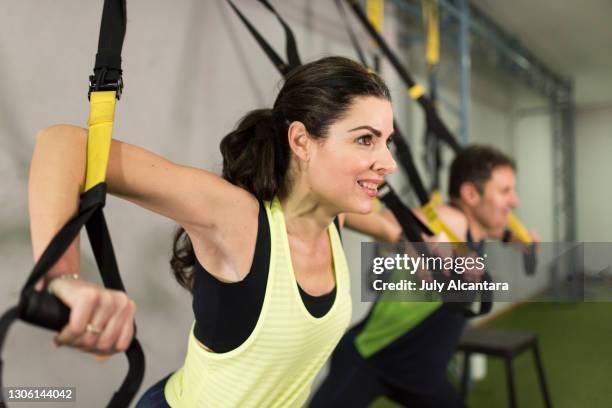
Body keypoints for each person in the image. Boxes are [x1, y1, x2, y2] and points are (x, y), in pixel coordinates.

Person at [28, 56, 397, 407]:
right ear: (301, 141)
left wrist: (415, 243)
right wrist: (62, 278)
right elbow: (63, 143)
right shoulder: (237, 219)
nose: (389, 163)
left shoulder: (333, 215)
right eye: (365, 139)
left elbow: (379, 221)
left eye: (387, 141)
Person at [311, 145, 538, 408]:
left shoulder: (474, 227)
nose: (515, 200)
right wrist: (403, 239)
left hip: (420, 373)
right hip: (371, 357)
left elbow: (496, 232)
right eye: (505, 191)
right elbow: (353, 213)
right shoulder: (447, 220)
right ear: (470, 195)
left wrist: (518, 241)